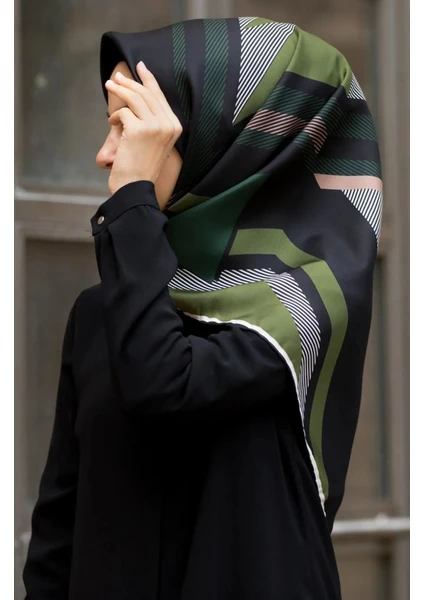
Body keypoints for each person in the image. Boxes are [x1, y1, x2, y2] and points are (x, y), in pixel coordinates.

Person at [22, 16, 383, 600]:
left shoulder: (301, 305)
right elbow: (56, 540)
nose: (106, 155)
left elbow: (164, 383)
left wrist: (133, 200)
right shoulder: (102, 311)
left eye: (127, 128)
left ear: (215, 139)